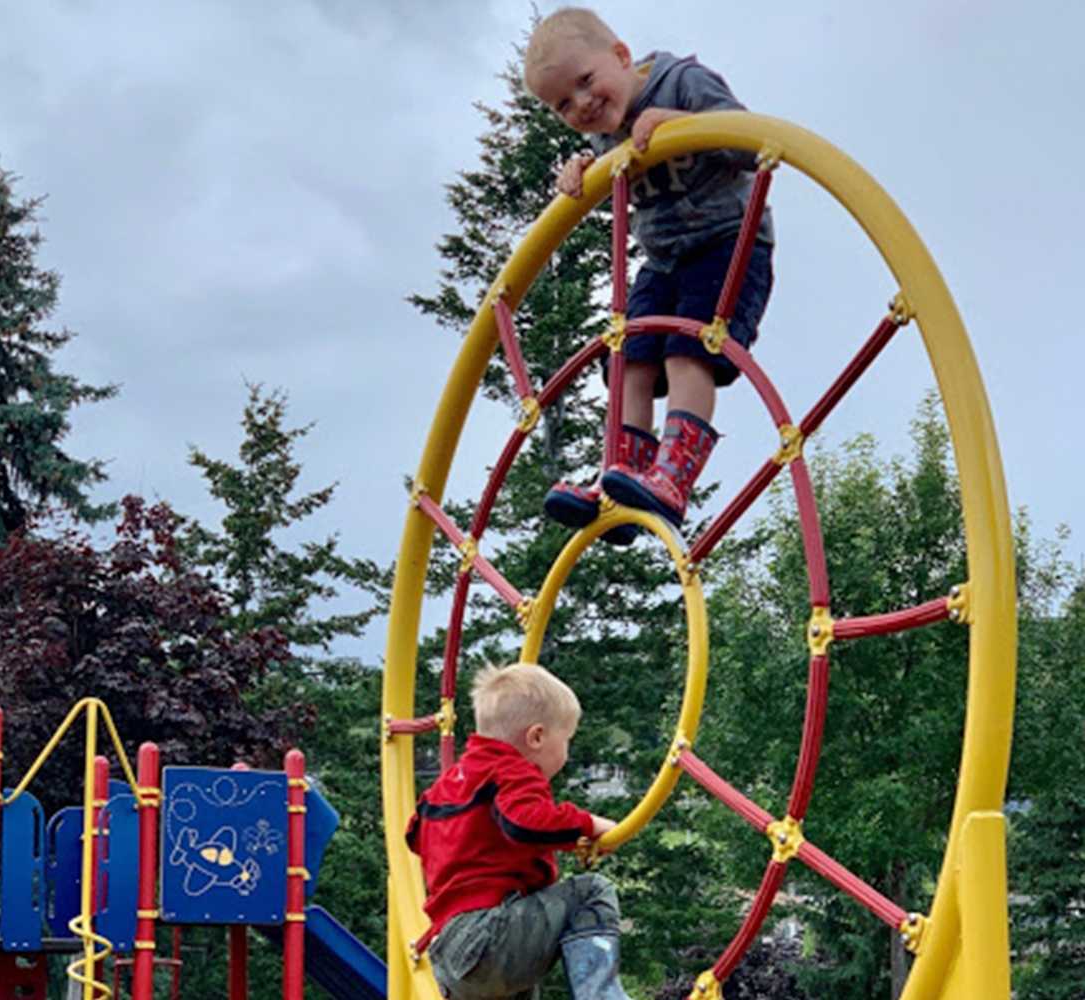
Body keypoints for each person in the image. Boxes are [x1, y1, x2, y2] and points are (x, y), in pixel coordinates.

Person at [526, 7, 775, 541]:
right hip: (663, 260)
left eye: (587, 82)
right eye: (562, 104)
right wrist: (581, 172)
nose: (583, 104)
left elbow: (753, 145)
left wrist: (685, 126)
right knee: (627, 364)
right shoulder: (604, 135)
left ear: (621, 56)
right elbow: (611, 178)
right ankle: (620, 481)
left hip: (727, 244)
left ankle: (672, 477)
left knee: (688, 351)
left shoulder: (681, 82)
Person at [406, 662, 630, 999]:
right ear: (537, 736)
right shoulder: (511, 770)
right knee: (590, 892)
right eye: (566, 739)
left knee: (523, 984)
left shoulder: (447, 785)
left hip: (449, 954)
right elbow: (524, 821)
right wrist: (589, 825)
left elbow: (415, 835)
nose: (566, 753)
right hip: (487, 938)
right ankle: (602, 995)